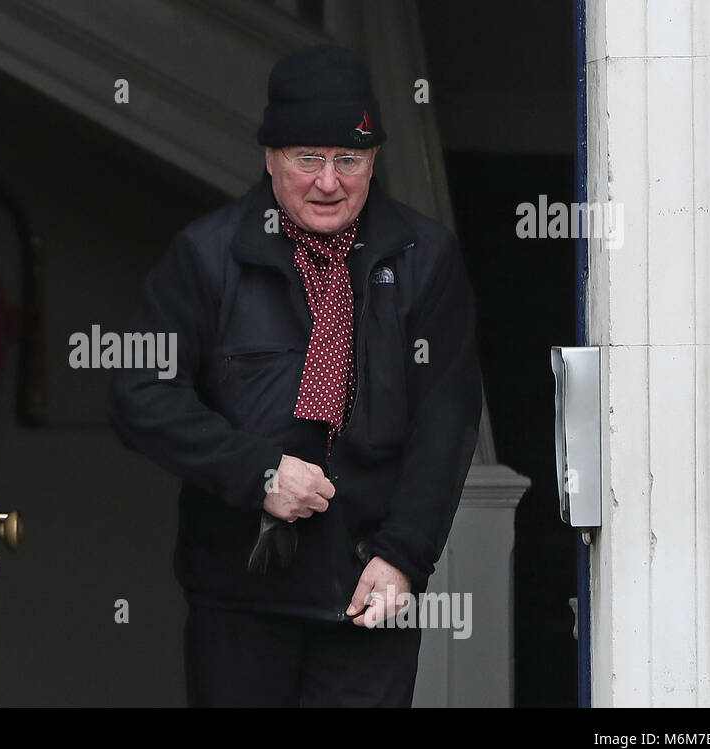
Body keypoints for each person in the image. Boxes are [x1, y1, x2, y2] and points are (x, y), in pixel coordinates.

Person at [108, 44, 482, 707]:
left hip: (371, 586)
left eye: (350, 160)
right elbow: (140, 394)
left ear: (373, 161)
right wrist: (257, 470)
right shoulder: (206, 254)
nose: (329, 182)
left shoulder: (426, 259)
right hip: (239, 596)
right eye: (309, 159)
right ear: (271, 157)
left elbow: (445, 419)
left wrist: (404, 556)